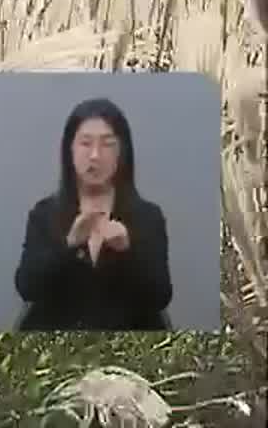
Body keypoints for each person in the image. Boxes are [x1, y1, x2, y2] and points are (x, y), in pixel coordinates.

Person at [13, 97, 172, 330]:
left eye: (107, 144)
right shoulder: (45, 213)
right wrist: (70, 245)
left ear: (122, 152)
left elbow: (160, 297)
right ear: (70, 150)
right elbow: (27, 288)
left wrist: (126, 251)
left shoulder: (147, 216)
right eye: (86, 143)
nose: (95, 155)